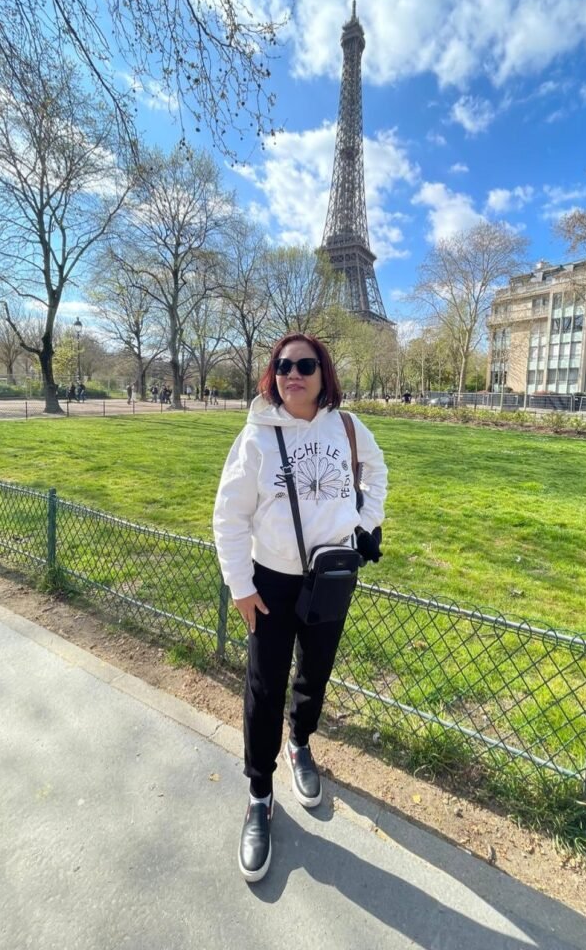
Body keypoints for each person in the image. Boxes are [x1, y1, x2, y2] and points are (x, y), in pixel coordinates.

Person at [213, 333, 387, 883]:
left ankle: (300, 743)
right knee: (264, 686)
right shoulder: (256, 438)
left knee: (315, 673)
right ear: (273, 374)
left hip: (331, 576)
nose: (294, 373)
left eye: (305, 365)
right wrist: (241, 585)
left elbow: (375, 472)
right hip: (272, 582)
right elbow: (229, 514)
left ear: (322, 373)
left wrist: (363, 526)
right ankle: (259, 792)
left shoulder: (350, 428)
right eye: (283, 365)